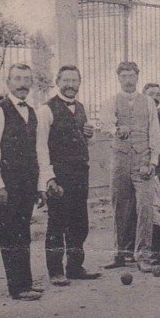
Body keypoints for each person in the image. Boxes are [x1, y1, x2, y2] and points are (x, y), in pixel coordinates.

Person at [0, 63, 42, 301]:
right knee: (10, 234)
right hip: (7, 185)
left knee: (23, 233)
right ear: (8, 83)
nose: (22, 84)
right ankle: (17, 287)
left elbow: (36, 151)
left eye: (26, 79)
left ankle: (25, 283)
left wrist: (38, 186)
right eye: (17, 79)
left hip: (27, 184)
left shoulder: (32, 112)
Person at [36, 65, 101, 286]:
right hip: (59, 176)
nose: (70, 85)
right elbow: (41, 147)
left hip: (80, 174)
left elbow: (87, 141)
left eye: (74, 81)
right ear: (57, 81)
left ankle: (75, 267)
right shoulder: (46, 110)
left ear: (80, 83)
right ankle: (55, 271)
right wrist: (48, 178)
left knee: (79, 222)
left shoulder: (82, 108)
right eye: (66, 80)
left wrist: (90, 135)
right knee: (57, 223)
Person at [98, 61, 160, 272]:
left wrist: (152, 162)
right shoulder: (111, 101)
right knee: (120, 205)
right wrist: (116, 129)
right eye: (123, 76)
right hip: (120, 160)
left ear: (137, 77)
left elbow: (155, 133)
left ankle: (143, 254)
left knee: (144, 207)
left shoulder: (149, 103)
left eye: (131, 75)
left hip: (143, 159)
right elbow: (104, 122)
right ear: (119, 78)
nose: (128, 80)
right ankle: (121, 253)